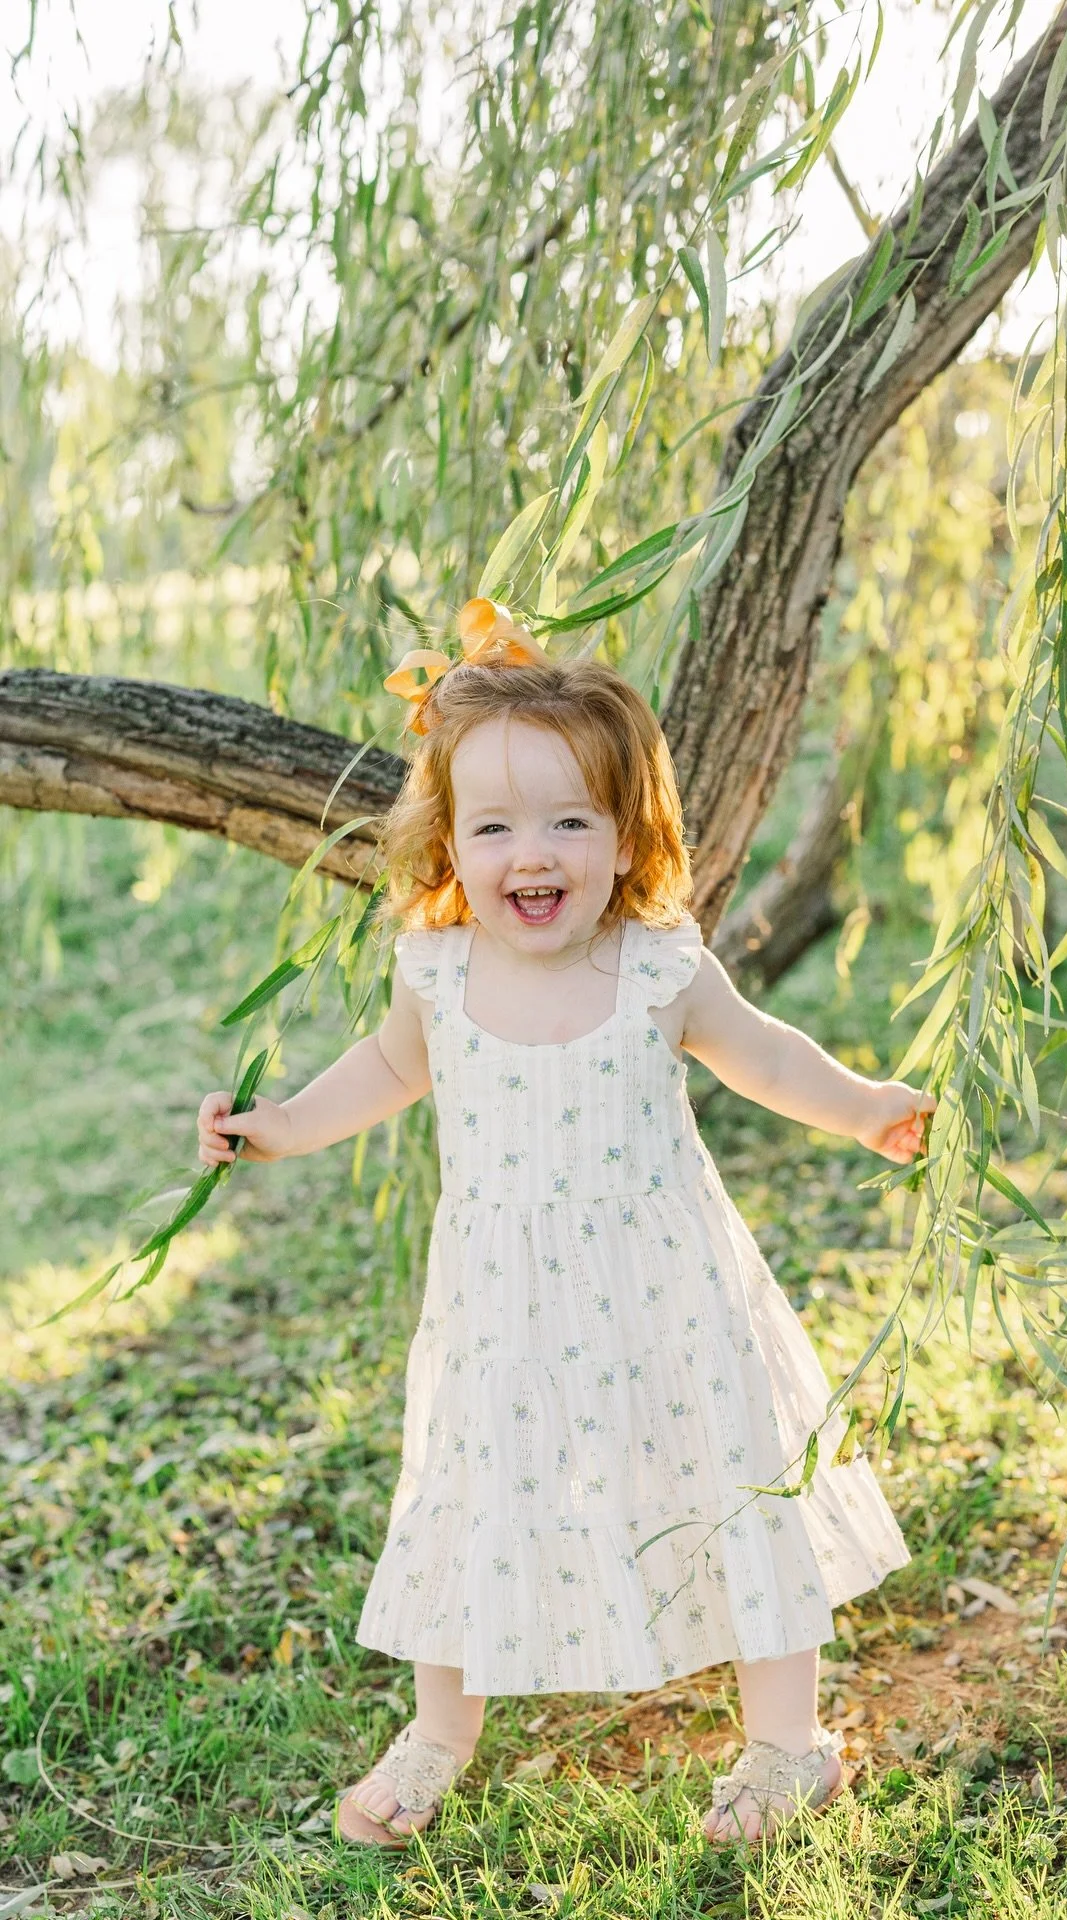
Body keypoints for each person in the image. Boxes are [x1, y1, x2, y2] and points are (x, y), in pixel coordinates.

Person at [196, 596, 936, 1849]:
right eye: (494, 826)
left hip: (669, 1293)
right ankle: (438, 1736)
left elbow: (761, 1054)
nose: (529, 853)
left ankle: (786, 1746)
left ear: (625, 833)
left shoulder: (657, 963)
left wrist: (863, 1108)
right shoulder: (436, 971)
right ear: (449, 843)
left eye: (567, 821)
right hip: (501, 1308)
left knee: (736, 1488)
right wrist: (270, 1127)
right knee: (468, 1499)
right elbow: (377, 1076)